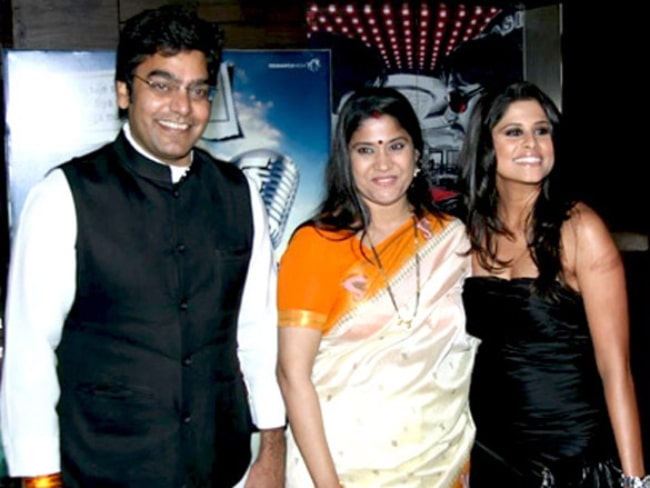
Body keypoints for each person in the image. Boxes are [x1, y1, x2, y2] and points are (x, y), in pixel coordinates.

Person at [0, 5, 286, 487]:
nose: (182, 106)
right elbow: (30, 352)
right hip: (101, 472)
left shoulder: (239, 194)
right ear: (123, 91)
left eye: (198, 90)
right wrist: (40, 480)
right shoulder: (65, 196)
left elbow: (256, 335)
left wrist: (272, 451)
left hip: (224, 469)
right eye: (162, 84)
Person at [277, 86, 479, 487]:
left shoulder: (450, 238)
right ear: (346, 160)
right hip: (338, 468)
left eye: (396, 146)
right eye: (365, 149)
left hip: (441, 461)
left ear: (418, 154)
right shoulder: (316, 245)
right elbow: (291, 374)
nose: (382, 163)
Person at [458, 81, 646, 487]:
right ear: (487, 146)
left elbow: (616, 369)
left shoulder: (579, 229)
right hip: (493, 456)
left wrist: (635, 482)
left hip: (571, 459)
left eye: (542, 130)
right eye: (514, 132)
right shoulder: (464, 234)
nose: (532, 143)